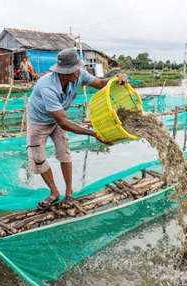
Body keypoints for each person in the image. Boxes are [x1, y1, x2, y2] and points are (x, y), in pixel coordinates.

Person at [27, 47, 127, 210]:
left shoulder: (79, 74)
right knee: (38, 159)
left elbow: (101, 83)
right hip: (38, 121)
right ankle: (54, 193)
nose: (79, 73)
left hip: (59, 118)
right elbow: (64, 123)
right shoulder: (47, 87)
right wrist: (94, 134)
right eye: (75, 70)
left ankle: (69, 193)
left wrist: (116, 78)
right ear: (64, 72)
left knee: (64, 153)